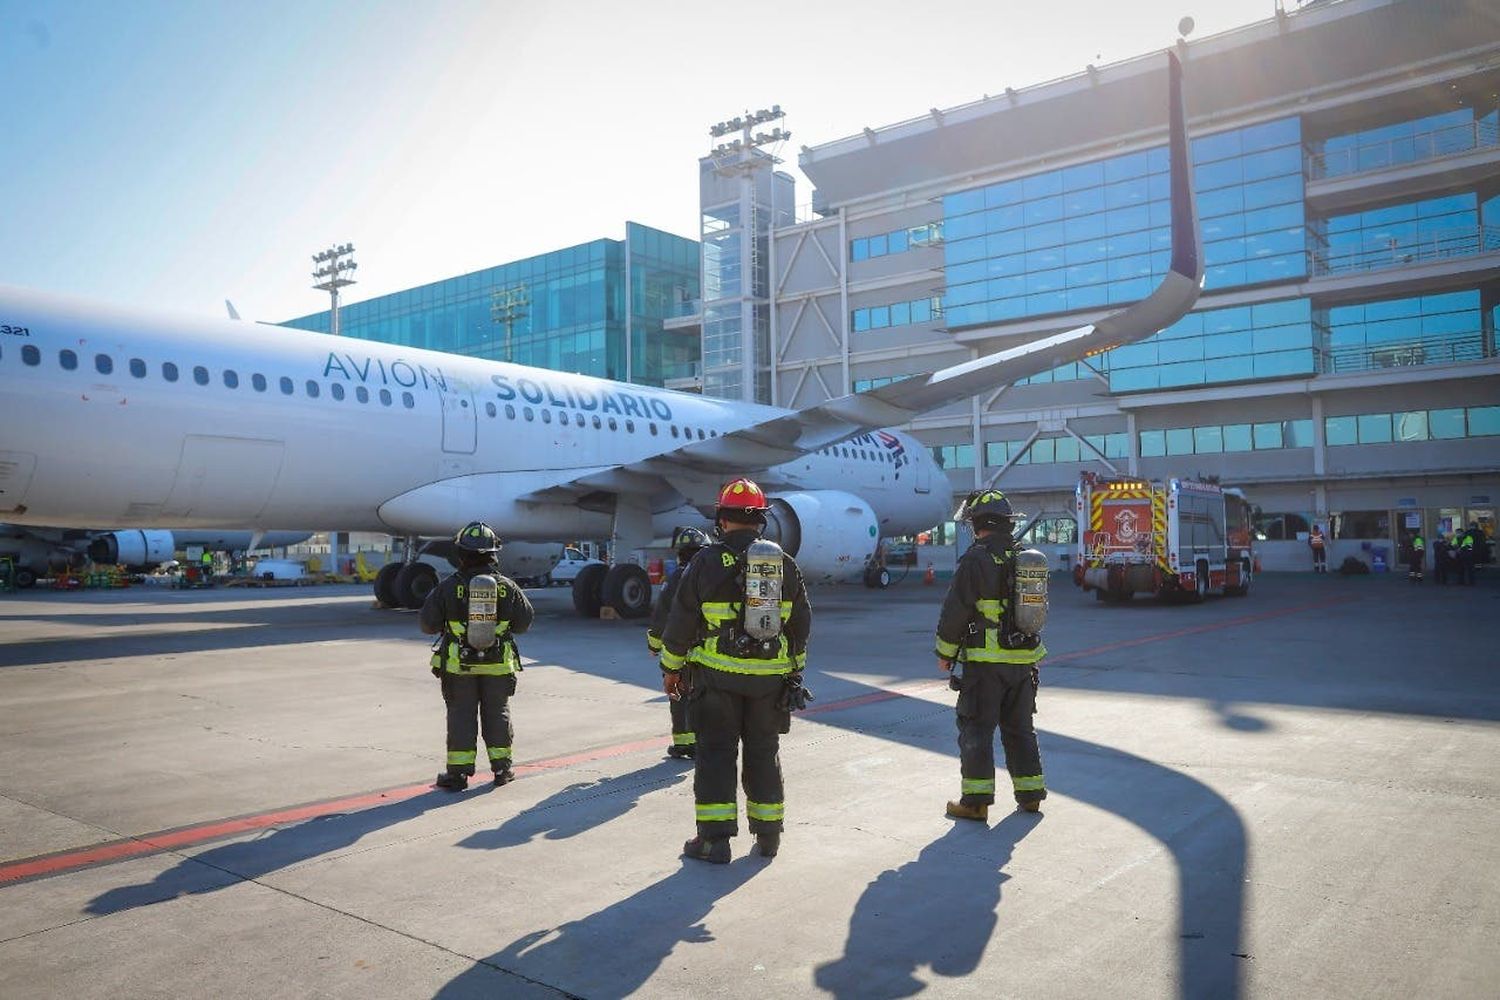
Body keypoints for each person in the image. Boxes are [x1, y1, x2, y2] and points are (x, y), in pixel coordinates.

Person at [659, 477, 812, 863]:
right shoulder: (784, 565)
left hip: (715, 681)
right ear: (760, 521)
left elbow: (680, 622)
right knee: (764, 753)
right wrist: (793, 673)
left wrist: (671, 668)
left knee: (715, 755)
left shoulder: (705, 562)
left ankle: (714, 842)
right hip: (769, 682)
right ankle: (769, 835)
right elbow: (801, 626)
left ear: (722, 520)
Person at [935, 489, 1047, 821]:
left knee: (976, 730)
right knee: (1020, 728)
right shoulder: (1024, 556)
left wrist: (945, 653)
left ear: (978, 523)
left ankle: (976, 802)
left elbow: (955, 611)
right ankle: (1030, 796)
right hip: (1024, 662)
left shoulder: (976, 559)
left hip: (985, 665)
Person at [420, 521, 534, 791]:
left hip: (459, 667)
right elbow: (524, 624)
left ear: (460, 554)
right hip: (497, 667)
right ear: (494, 554)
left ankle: (457, 775)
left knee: (461, 716)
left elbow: (427, 624)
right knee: (498, 714)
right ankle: (503, 769)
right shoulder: (508, 587)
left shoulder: (448, 587)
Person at [646, 525, 710, 759]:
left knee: (679, 695)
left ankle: (684, 743)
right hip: (711, 654)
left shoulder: (676, 578)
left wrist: (654, 644)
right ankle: (704, 743)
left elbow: (662, 614)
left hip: (681, 651)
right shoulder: (712, 577)